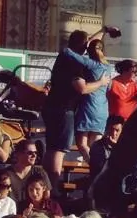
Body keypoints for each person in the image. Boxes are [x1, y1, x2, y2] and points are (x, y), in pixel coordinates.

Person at [43, 27, 114, 188]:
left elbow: (86, 43)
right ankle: (52, 188)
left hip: (52, 106)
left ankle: (47, 186)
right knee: (59, 149)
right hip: (64, 109)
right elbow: (82, 88)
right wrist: (101, 83)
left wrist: (102, 31)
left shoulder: (64, 57)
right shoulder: (75, 63)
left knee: (52, 147)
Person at [76, 38, 116, 157]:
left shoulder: (90, 64)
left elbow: (71, 54)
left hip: (88, 106)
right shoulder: (108, 67)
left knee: (82, 144)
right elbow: (109, 87)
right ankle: (97, 168)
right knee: (95, 146)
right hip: (102, 109)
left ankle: (94, 168)